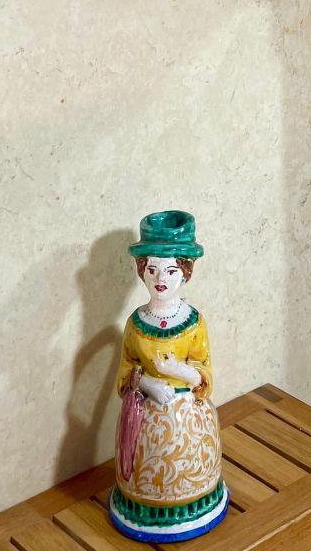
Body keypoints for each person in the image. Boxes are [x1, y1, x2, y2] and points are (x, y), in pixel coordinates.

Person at [110, 211, 229, 543]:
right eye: (152, 269)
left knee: (189, 466)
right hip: (144, 423)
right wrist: (146, 382)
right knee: (147, 472)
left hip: (189, 420)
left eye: (171, 270)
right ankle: (143, 508)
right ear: (141, 271)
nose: (161, 278)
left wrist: (178, 371)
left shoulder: (194, 323)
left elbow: (205, 376)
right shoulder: (135, 324)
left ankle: (196, 502)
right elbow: (124, 374)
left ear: (186, 272)